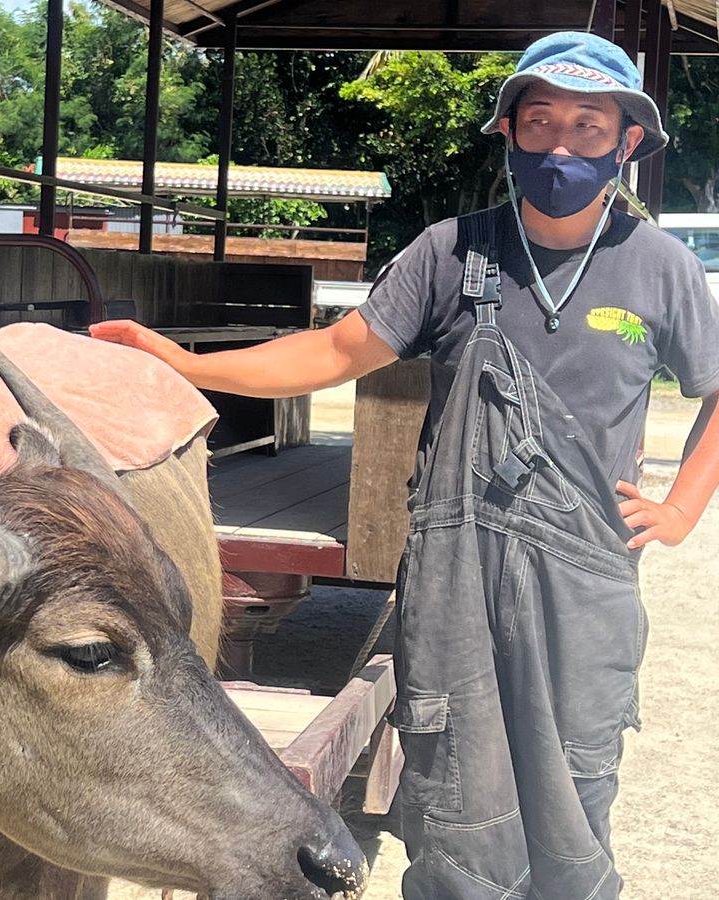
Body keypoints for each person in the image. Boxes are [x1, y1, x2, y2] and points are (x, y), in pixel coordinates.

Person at [91, 31, 719, 899]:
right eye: (540, 121)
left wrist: (682, 509)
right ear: (509, 133)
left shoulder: (660, 267)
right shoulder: (451, 252)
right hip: (456, 581)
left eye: (588, 125)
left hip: (584, 590)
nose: (561, 147)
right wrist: (187, 364)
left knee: (575, 796)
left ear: (628, 141)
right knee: (455, 796)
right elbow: (335, 351)